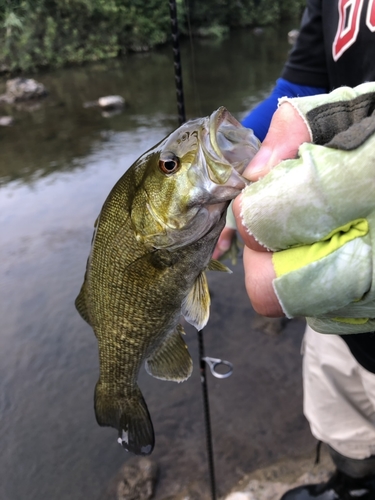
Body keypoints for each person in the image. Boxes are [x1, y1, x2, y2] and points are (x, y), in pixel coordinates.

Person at [215, 2, 375, 499]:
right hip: (331, 292)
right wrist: (223, 160)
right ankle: (353, 485)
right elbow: (300, 87)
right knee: (341, 419)